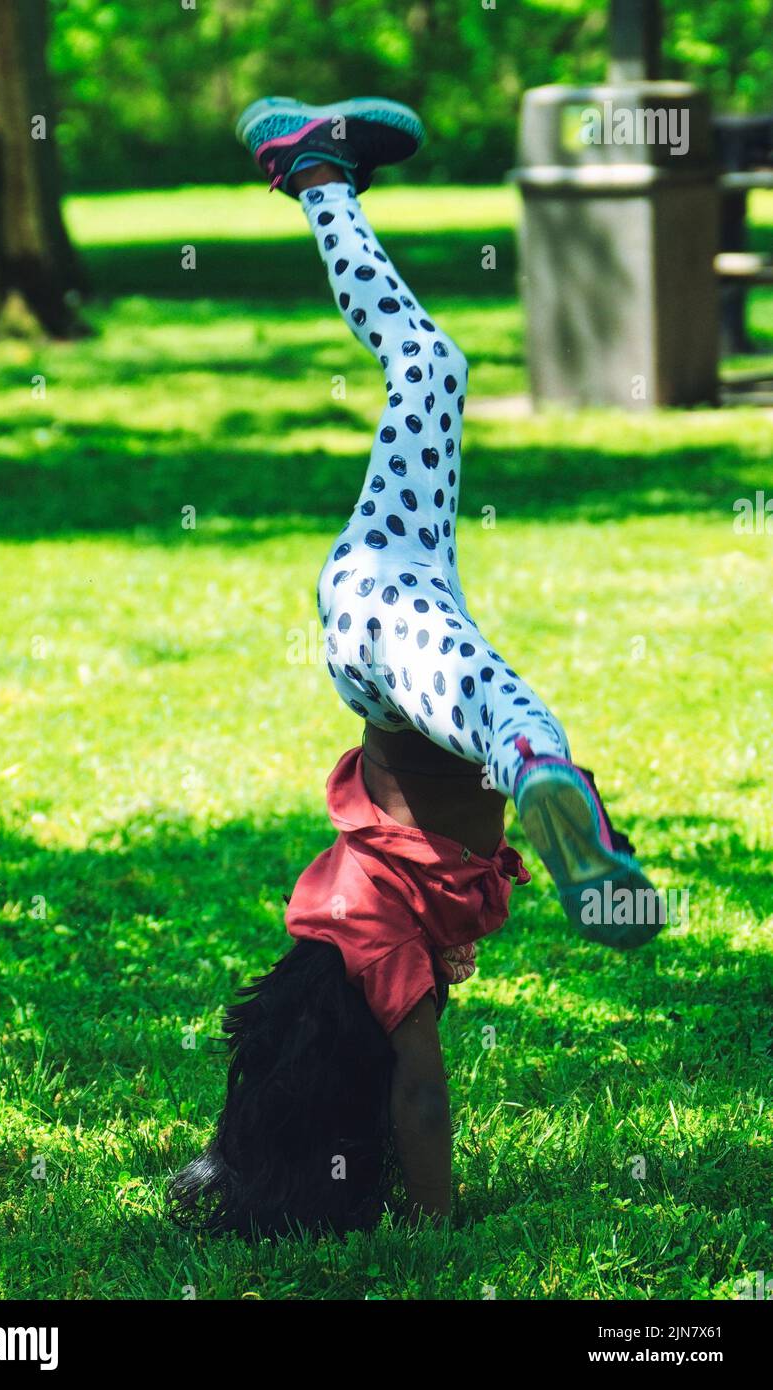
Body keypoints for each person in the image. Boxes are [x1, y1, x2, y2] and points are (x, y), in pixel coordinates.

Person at [169, 97, 662, 1238]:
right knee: (430, 368)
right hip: (382, 599)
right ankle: (315, 172)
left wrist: (435, 1221)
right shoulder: (336, 909)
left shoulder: (377, 955)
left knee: (502, 714)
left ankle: (551, 777)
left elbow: (419, 1095)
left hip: (391, 633)